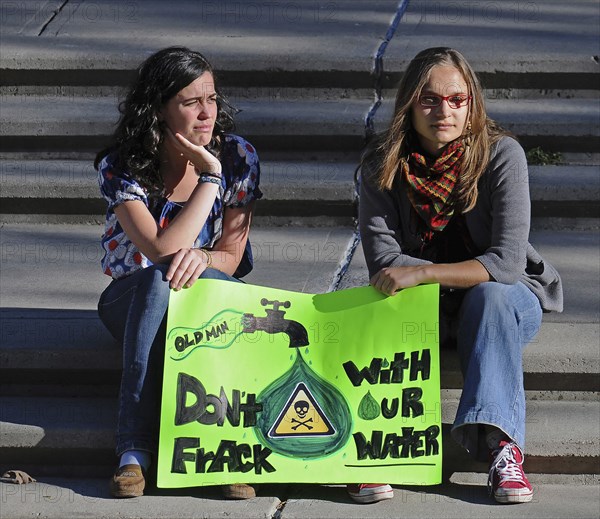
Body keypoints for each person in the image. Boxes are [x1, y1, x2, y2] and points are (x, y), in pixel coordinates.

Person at [355, 47, 563, 505]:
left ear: (472, 103)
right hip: (421, 304)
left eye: (456, 99)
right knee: (370, 304)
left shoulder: (502, 155)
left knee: (490, 296)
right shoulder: (381, 163)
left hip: (504, 301)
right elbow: (384, 264)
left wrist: (423, 272)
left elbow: (505, 264)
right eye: (429, 99)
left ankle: (500, 448)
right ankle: (371, 447)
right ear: (409, 103)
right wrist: (415, 278)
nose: (443, 111)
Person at [94, 47, 262, 500]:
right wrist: (209, 177)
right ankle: (136, 451)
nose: (207, 112)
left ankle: (217, 450)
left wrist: (204, 261)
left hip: (209, 294)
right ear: (159, 110)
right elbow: (160, 250)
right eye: (190, 102)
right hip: (130, 299)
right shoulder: (121, 164)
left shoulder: (239, 155)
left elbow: (229, 254)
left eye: (211, 97)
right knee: (158, 278)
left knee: (183, 282)